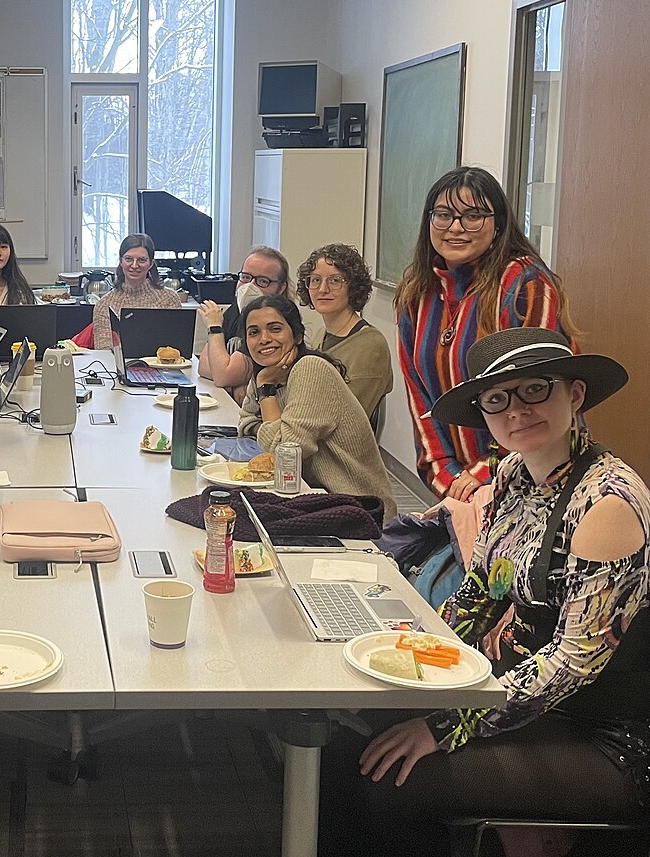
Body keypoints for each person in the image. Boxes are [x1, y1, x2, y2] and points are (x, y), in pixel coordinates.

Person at [321, 327, 649, 857]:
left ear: (575, 394)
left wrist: (446, 724)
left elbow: (573, 662)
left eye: (536, 389)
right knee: (347, 734)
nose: (517, 410)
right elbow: (481, 590)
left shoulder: (608, 504)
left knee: (390, 781)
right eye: (498, 398)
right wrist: (413, 651)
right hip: (522, 699)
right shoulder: (515, 473)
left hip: (600, 733)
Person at [395, 166, 575, 502]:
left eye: (473, 216)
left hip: (538, 475)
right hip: (458, 488)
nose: (456, 227)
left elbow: (539, 395)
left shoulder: (525, 285)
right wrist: (446, 476)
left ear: (499, 224)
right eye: (443, 215)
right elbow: (420, 399)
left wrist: (483, 473)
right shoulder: (416, 294)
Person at [237, 294, 396, 518]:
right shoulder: (268, 372)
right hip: (312, 495)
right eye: (254, 332)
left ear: (297, 336)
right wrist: (267, 422)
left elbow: (284, 454)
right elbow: (245, 423)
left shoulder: (309, 369)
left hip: (358, 508)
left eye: (275, 329)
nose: (264, 339)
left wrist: (266, 392)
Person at [296, 243, 393, 423]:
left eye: (334, 281)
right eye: (315, 280)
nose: (323, 289)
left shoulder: (370, 346)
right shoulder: (321, 335)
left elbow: (343, 418)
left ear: (353, 287)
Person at [198, 245, 295, 398]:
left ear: (281, 287)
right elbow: (204, 365)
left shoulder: (280, 323)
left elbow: (223, 375)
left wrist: (215, 328)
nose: (250, 286)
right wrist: (234, 381)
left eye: (262, 281)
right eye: (246, 277)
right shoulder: (236, 310)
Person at [90, 233, 183, 350]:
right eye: (128, 259)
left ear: (151, 264)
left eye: (141, 260)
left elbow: (177, 347)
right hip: (117, 362)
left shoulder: (169, 299)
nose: (134, 265)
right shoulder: (104, 305)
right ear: (121, 261)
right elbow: (104, 351)